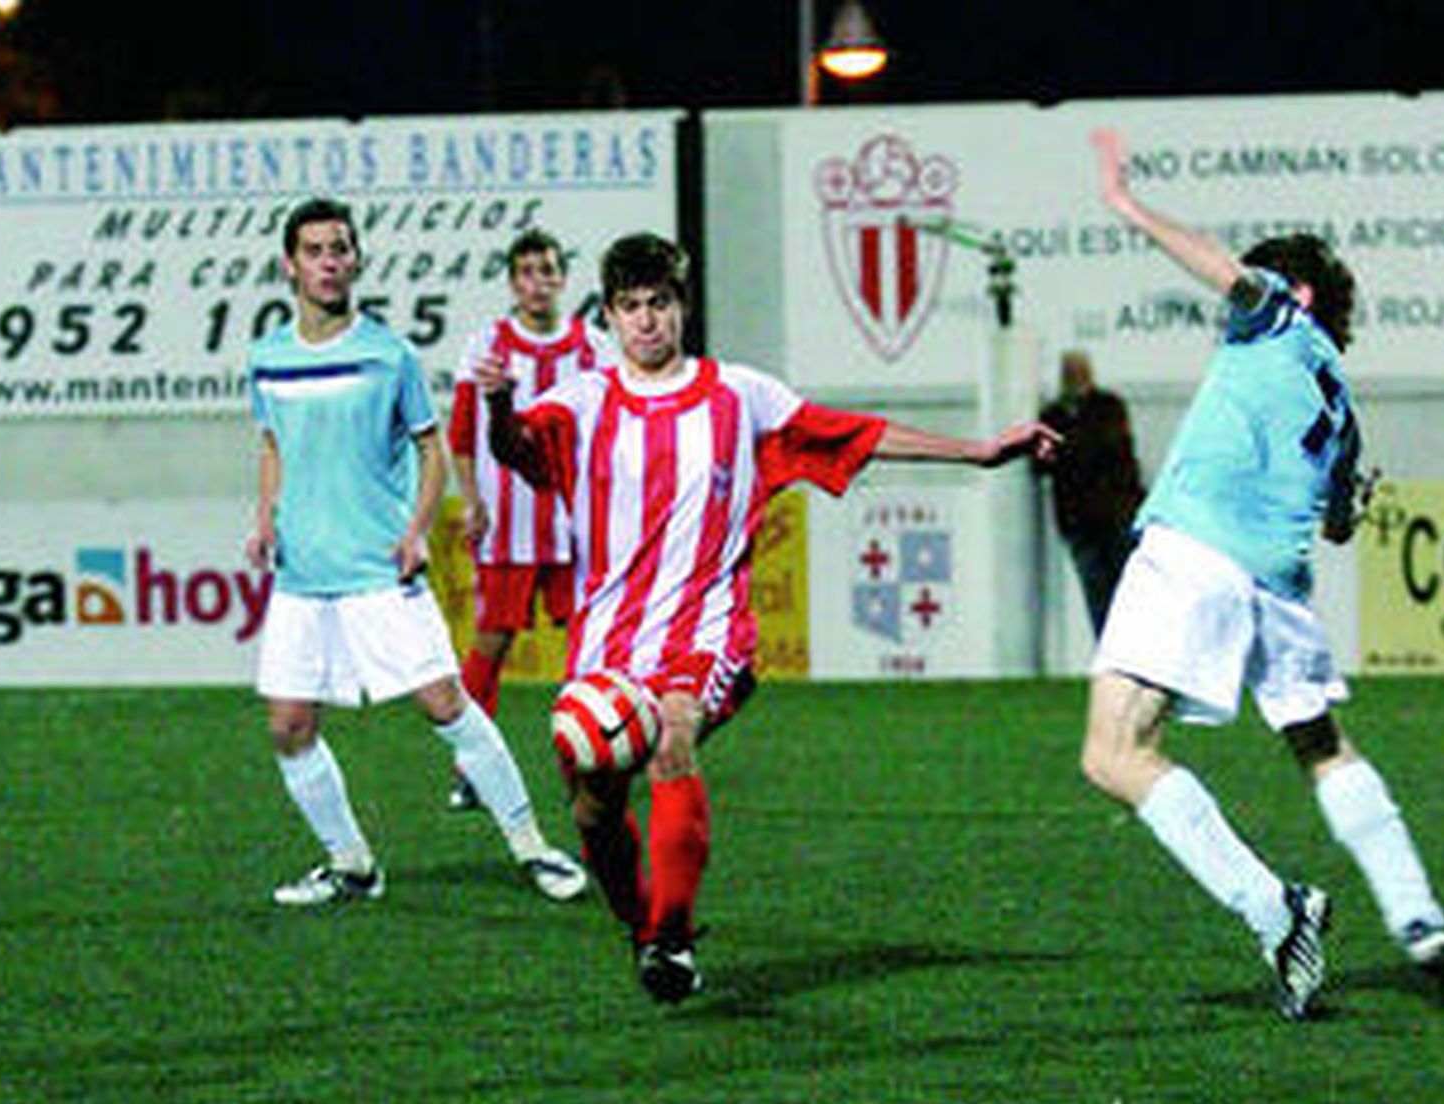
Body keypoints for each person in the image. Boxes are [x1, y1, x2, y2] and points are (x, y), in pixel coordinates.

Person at [479, 231, 1062, 1003]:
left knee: (673, 736)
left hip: (707, 628)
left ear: (683, 307)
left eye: (660, 303)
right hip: (607, 643)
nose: (647, 321)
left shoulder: (742, 396)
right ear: (610, 317)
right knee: (593, 801)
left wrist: (978, 450)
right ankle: (644, 927)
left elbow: (855, 434)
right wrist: (498, 404)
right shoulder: (582, 402)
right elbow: (517, 449)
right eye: (630, 307)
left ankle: (673, 940)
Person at [1080, 130, 1444, 1019]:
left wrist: (1126, 205)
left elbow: (1220, 269)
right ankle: (1421, 920)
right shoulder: (1342, 404)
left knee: (1114, 754)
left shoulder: (1278, 321)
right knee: (1323, 745)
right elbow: (1339, 523)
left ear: (1296, 292)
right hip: (1280, 587)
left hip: (1197, 556)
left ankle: (1276, 909)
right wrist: (1352, 504)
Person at [244, 197, 588, 907]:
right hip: (302, 575)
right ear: (290, 266)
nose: (329, 262)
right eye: (314, 250)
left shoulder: (388, 353)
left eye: (340, 249)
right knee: (289, 725)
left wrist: (417, 529)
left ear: (356, 261)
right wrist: (264, 519)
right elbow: (273, 443)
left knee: (445, 704)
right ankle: (351, 864)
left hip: (378, 568)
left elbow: (430, 448)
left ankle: (532, 845)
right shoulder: (267, 358)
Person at [445, 228, 615, 812]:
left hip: (576, 524)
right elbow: (463, 433)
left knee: (590, 645)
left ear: (562, 278)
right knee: (491, 643)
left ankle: (593, 755)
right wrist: (472, 500)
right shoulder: (486, 345)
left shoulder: (595, 347)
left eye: (548, 270)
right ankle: (471, 766)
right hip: (508, 522)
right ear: (513, 282)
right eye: (527, 272)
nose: (538, 282)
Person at [1034, 349, 1145, 635]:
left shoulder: (1108, 407)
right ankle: (1111, 653)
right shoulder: (1052, 416)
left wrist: (1065, 451)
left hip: (1116, 517)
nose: (1074, 377)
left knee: (1128, 595)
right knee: (1097, 597)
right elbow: (1041, 464)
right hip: (1080, 523)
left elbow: (1106, 449)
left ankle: (1131, 652)